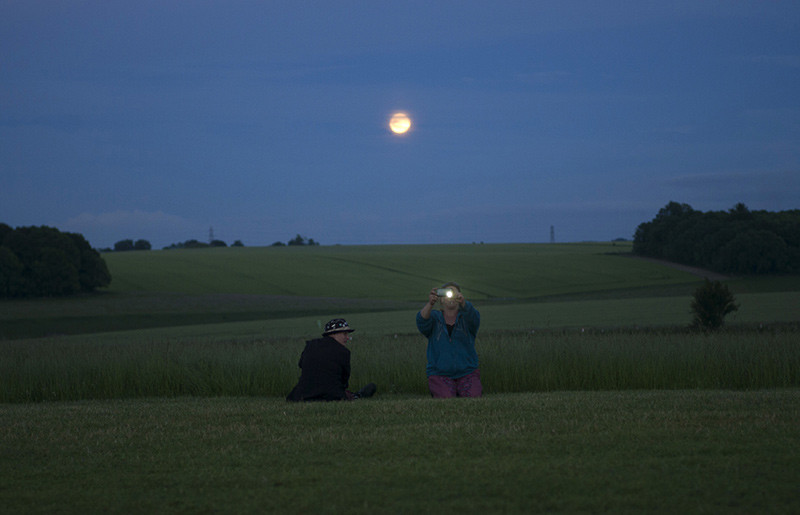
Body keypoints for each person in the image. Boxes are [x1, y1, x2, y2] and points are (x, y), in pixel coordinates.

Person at [416, 282, 482, 398]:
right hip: (440, 373)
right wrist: (430, 303)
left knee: (473, 397)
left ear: (459, 296)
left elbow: (475, 318)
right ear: (441, 300)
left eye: (454, 292)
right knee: (446, 398)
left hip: (467, 372)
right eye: (446, 293)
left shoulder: (467, 317)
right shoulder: (434, 318)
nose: (450, 296)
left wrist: (464, 304)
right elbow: (421, 321)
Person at [286, 318, 376, 402]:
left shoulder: (310, 345)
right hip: (331, 396)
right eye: (344, 334)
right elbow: (344, 379)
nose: (347, 337)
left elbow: (301, 365)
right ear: (333, 334)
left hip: (302, 395)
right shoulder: (343, 352)